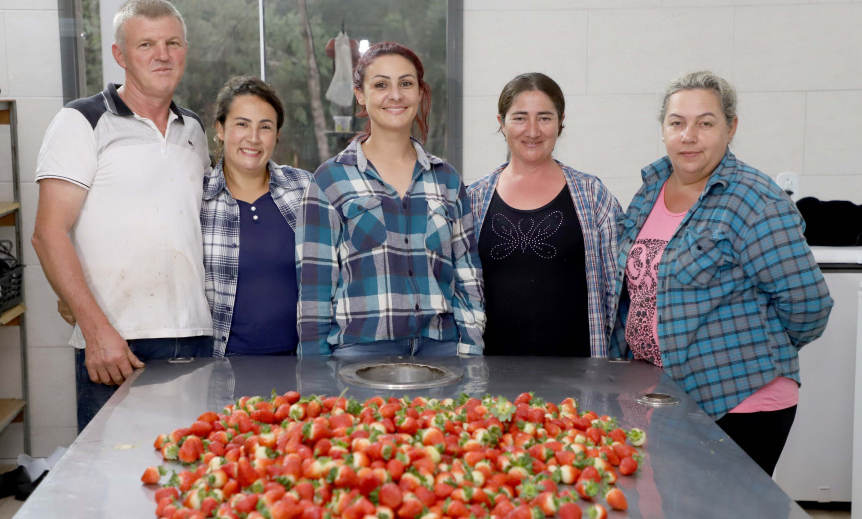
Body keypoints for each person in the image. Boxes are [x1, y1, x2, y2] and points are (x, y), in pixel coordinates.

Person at [609, 70, 833, 475]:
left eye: (705, 123)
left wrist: (746, 355)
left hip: (739, 401)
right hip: (663, 398)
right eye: (677, 123)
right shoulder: (648, 191)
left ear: (730, 128)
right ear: (663, 130)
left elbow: (809, 305)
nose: (688, 135)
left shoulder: (754, 199)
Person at [32, 0, 212, 432]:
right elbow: (47, 233)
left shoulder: (195, 129)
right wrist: (96, 331)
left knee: (192, 482)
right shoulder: (81, 120)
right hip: (118, 344)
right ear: (120, 55)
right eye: (145, 44)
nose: (162, 54)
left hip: (196, 336)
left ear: (185, 49)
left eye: (172, 42)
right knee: (114, 485)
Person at [296, 41, 485, 357]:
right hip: (360, 354)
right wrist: (316, 373)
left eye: (406, 83)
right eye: (381, 84)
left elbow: (468, 278)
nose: (395, 95)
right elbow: (314, 291)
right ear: (360, 94)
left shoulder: (447, 179)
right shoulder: (330, 180)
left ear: (420, 93)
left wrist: (471, 351)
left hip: (441, 352)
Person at [467, 73, 621, 357]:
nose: (533, 131)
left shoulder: (593, 196)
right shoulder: (472, 200)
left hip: (579, 383)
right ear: (501, 123)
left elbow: (618, 291)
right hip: (491, 382)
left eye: (545, 118)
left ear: (561, 122)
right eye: (520, 118)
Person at [202, 75, 312, 357]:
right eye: (242, 124)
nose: (253, 138)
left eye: (265, 127)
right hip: (222, 366)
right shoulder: (197, 199)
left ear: (276, 135)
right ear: (220, 129)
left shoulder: (305, 188)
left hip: (302, 363)